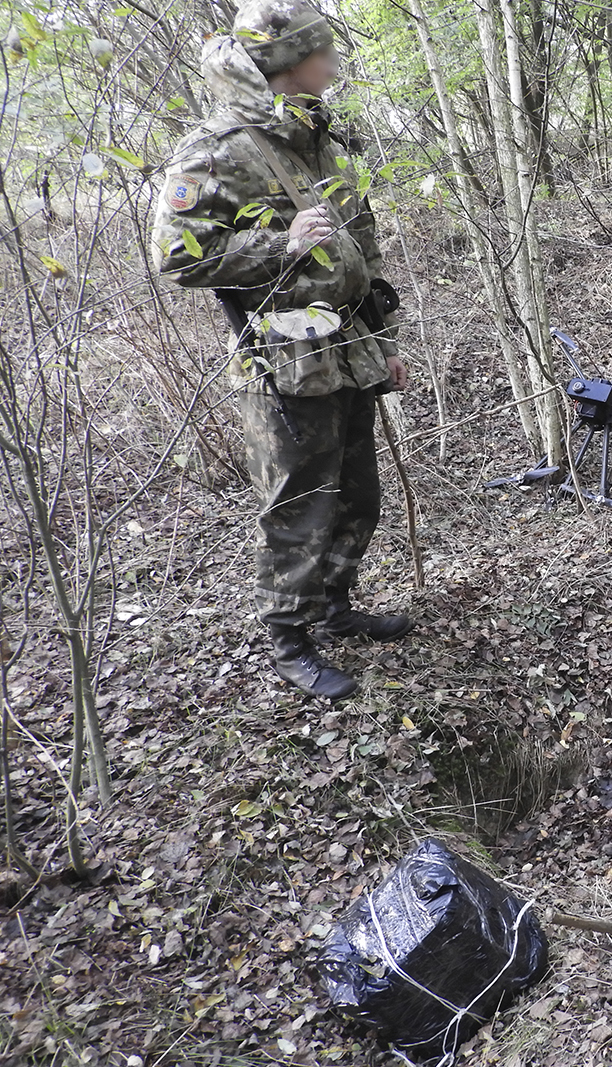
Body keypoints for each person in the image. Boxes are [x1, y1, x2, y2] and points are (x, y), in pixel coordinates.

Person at [151, 0, 412, 700]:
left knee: (359, 494)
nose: (333, 64)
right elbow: (177, 256)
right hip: (282, 362)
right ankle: (289, 639)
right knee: (299, 504)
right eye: (323, 52)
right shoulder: (219, 148)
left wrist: (382, 343)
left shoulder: (316, 139)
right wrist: (280, 244)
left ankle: (334, 605)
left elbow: (362, 248)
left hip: (349, 349)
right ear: (288, 63)